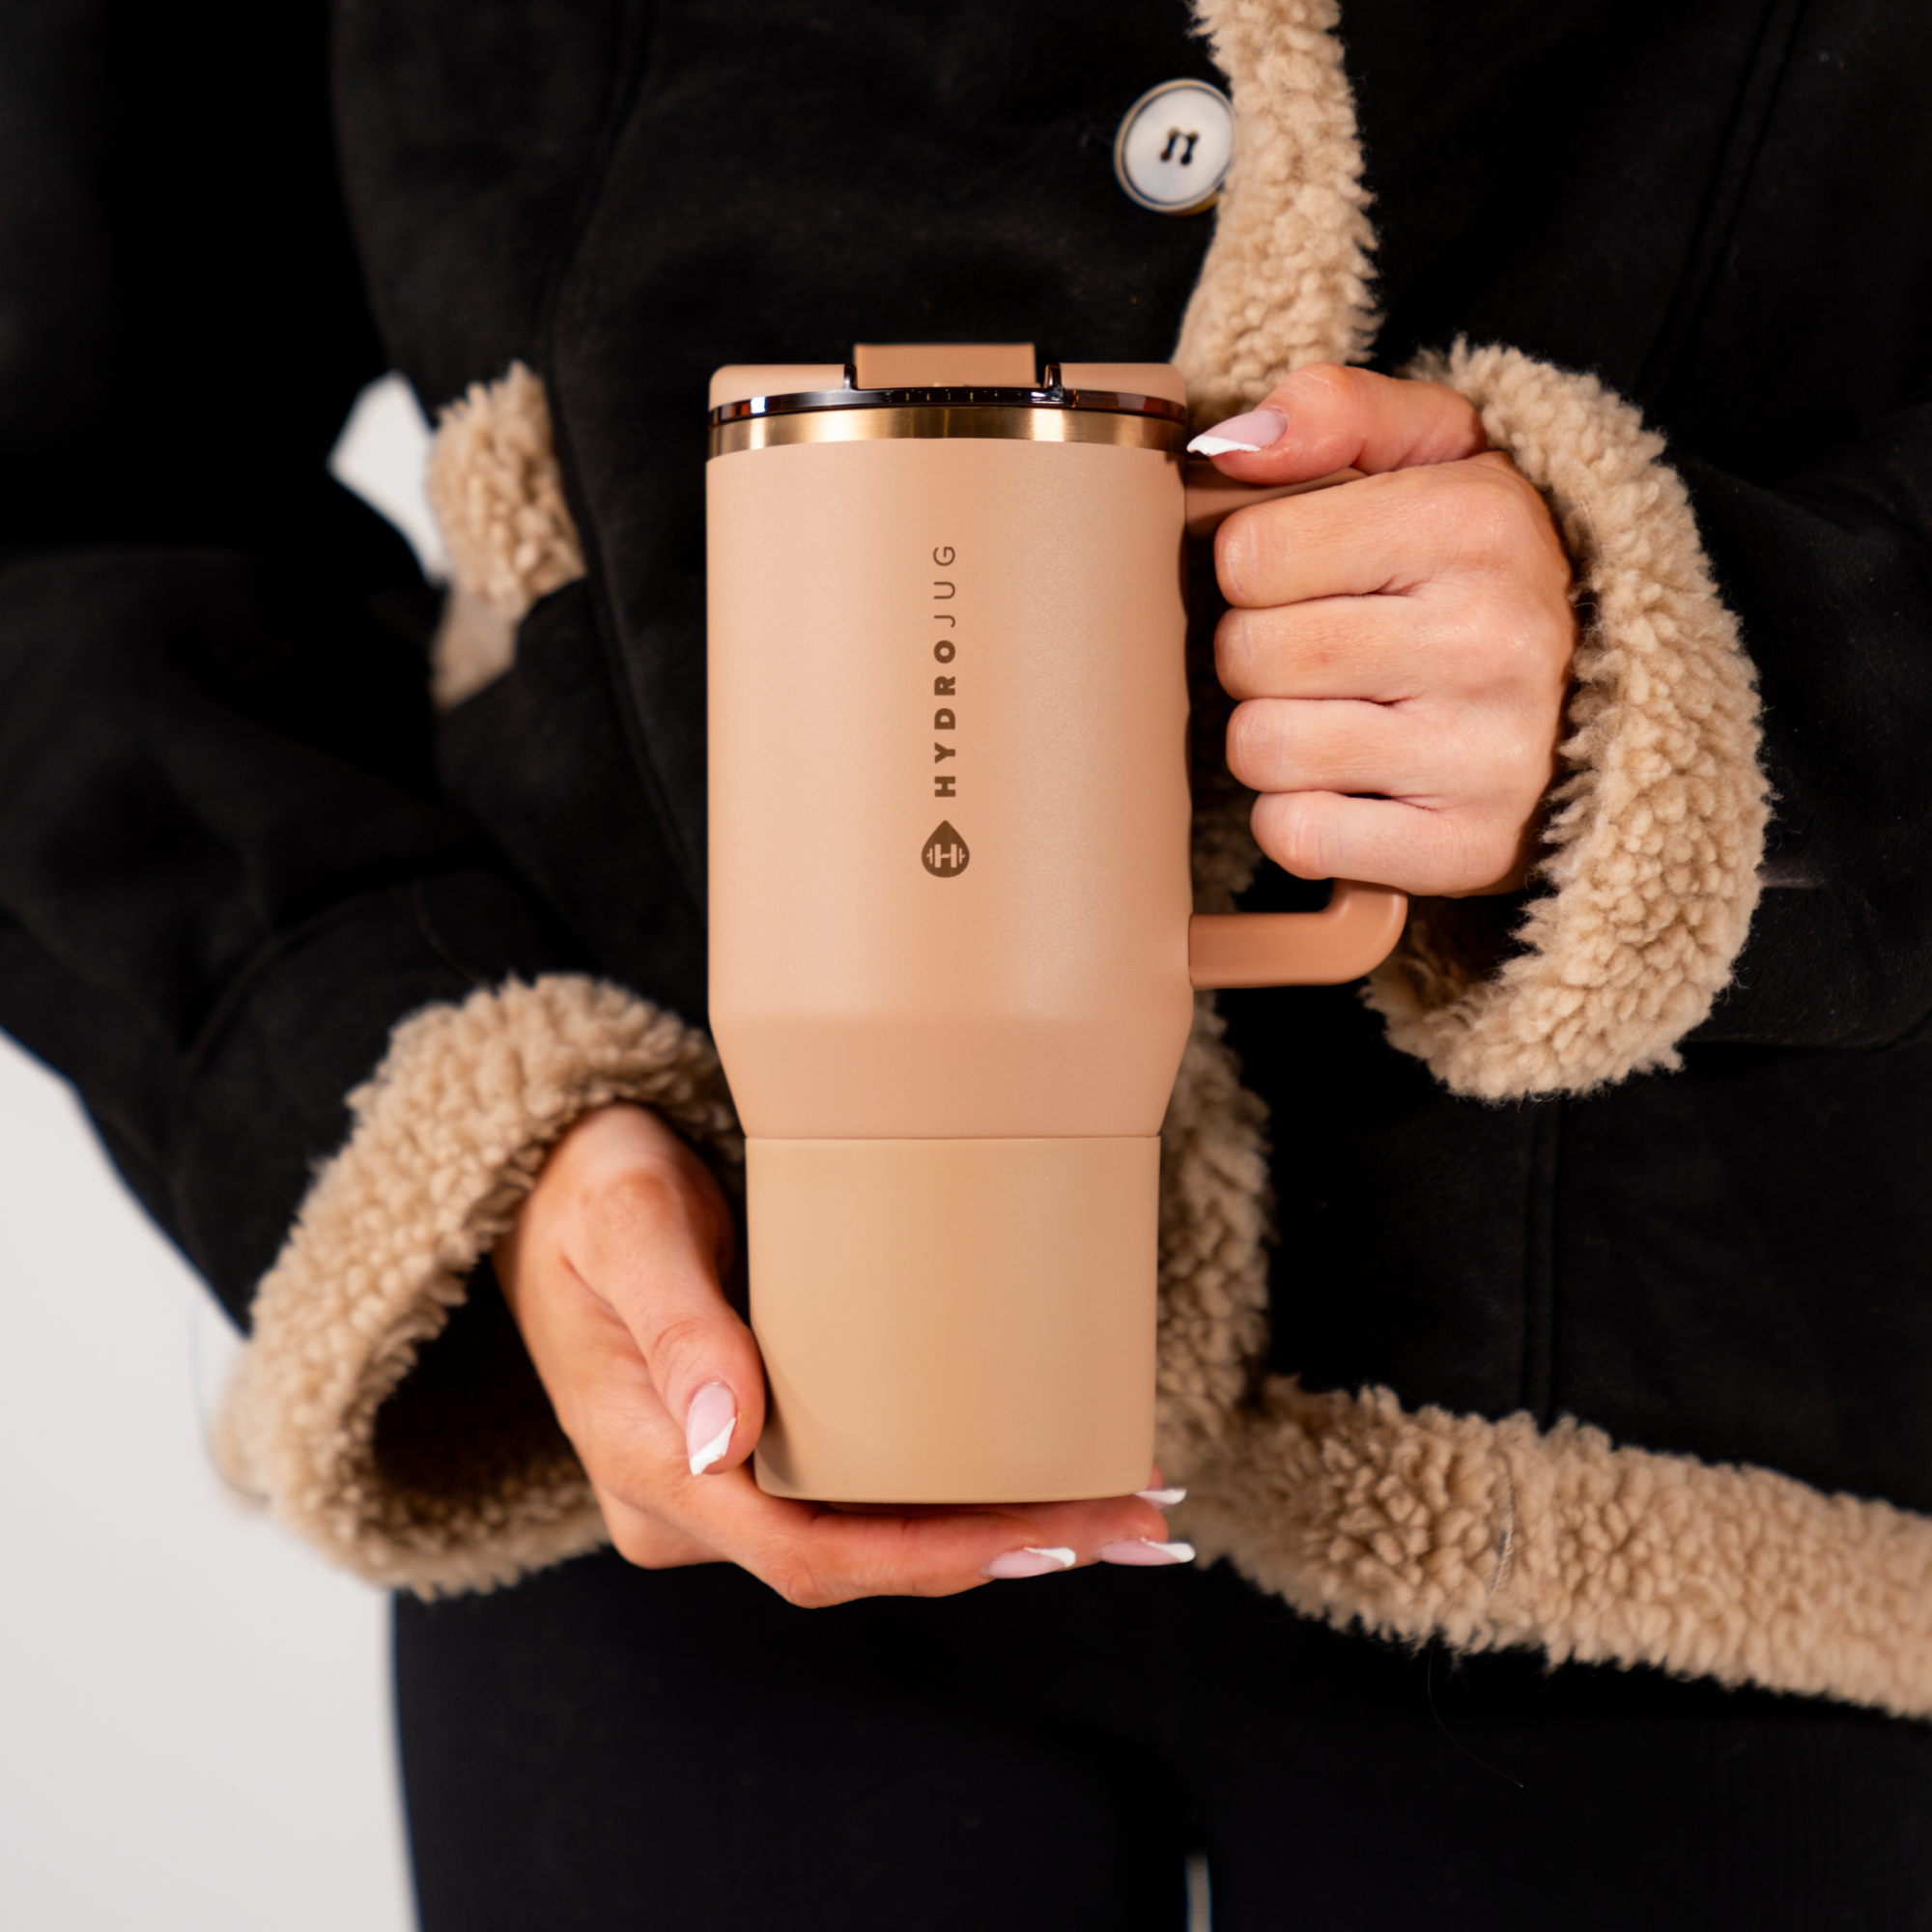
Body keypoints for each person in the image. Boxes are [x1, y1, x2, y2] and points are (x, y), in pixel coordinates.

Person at [4, 1, 1930, 1925]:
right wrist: (463, 1115)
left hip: (1729, 1473)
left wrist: (1703, 692)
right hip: (673, 1492)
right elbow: (67, 494)